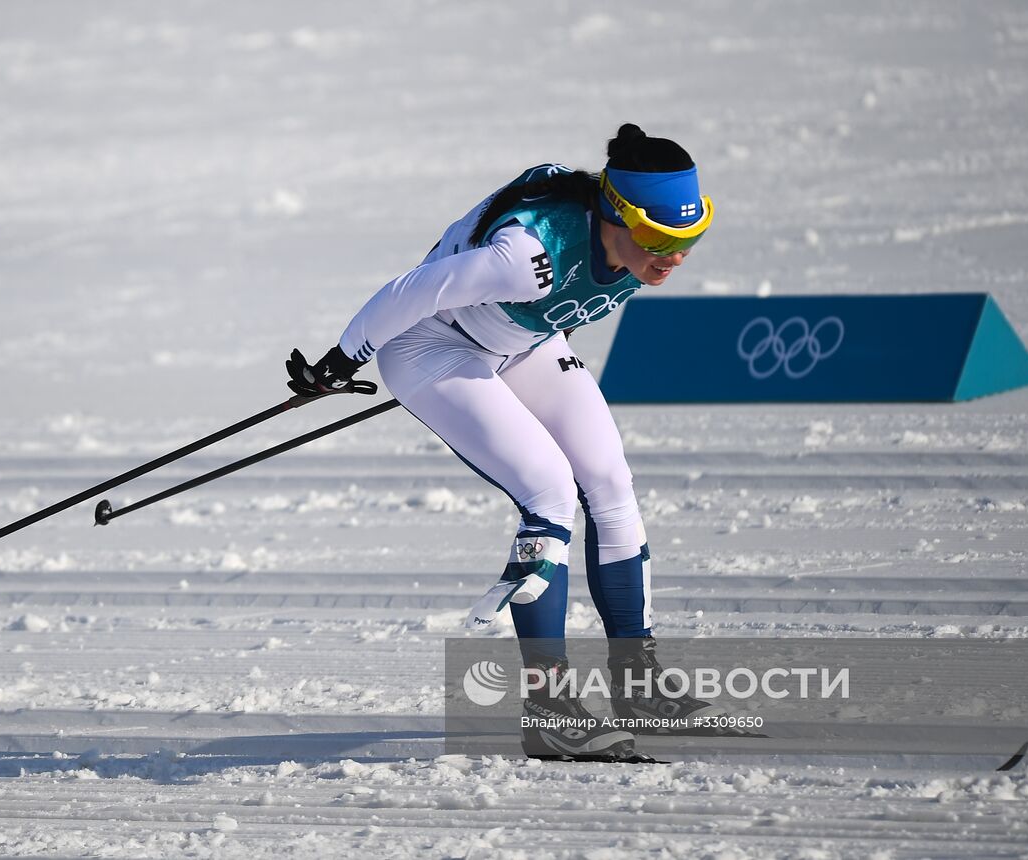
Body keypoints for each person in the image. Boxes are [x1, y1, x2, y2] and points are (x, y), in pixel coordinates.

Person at [286, 123, 726, 761]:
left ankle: (638, 682)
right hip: (430, 346)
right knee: (549, 491)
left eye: (690, 238)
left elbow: (569, 301)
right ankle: (549, 708)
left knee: (608, 479)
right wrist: (341, 359)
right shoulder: (527, 256)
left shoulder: (631, 253)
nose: (674, 257)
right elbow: (413, 290)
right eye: (658, 238)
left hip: (520, 339)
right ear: (613, 214)